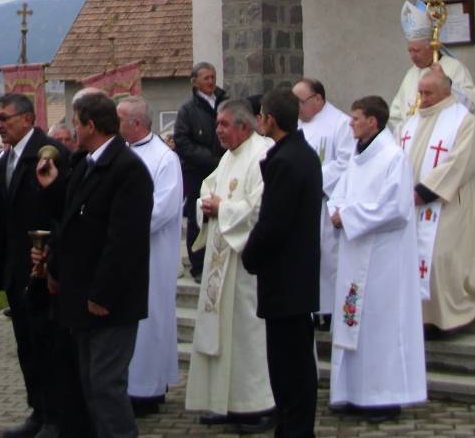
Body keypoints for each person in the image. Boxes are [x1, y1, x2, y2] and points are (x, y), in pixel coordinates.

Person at [35, 92, 153, 438]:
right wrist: (55, 270)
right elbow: (72, 222)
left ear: (90, 125)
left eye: (75, 121)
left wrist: (102, 293)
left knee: (105, 385)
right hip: (79, 294)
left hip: (109, 302)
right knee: (87, 383)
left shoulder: (128, 170)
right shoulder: (82, 163)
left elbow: (124, 242)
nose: (73, 127)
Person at [328, 95, 426, 422]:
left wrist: (350, 216)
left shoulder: (393, 158)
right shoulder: (358, 158)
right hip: (356, 252)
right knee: (354, 321)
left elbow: (396, 208)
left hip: (384, 259)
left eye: (356, 118)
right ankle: (355, 393)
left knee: (379, 327)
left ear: (373, 121)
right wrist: (336, 211)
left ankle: (384, 397)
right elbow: (339, 193)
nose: (350, 123)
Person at [184, 99, 275, 431]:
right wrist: (207, 204)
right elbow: (209, 187)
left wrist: (223, 208)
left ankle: (257, 404)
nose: (218, 130)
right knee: (220, 333)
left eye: (224, 124)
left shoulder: (261, 154)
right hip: (221, 262)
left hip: (245, 264)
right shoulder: (229, 156)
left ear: (244, 126)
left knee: (247, 336)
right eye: (217, 124)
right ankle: (224, 401)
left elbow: (260, 208)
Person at [0, 93, 72, 438]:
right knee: (26, 344)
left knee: (48, 343)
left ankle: (57, 417)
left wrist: (53, 254)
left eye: (4, 118)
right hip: (15, 266)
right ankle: (37, 409)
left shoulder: (51, 153)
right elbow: (4, 212)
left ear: (26, 118)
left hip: (43, 265)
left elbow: (63, 208)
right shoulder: (5, 159)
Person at [243, 89, 323, 438]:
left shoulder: (286, 162)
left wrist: (251, 254)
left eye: (259, 115)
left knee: (288, 366)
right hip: (297, 276)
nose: (258, 120)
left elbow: (273, 223)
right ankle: (295, 426)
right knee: (296, 361)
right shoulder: (301, 154)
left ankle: (294, 430)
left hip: (285, 278)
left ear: (270, 120)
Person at [401, 69, 475, 333]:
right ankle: (423, 320)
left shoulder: (463, 121)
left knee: (441, 258)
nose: (422, 98)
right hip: (413, 204)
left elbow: (461, 161)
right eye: (420, 93)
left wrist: (424, 191)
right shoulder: (411, 122)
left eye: (428, 93)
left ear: (446, 92)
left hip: (447, 203)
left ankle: (451, 317)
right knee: (414, 260)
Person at [116, 96, 183, 416]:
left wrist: (122, 226)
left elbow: (164, 208)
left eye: (119, 120)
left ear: (137, 123)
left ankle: (148, 389)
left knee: (151, 318)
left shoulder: (164, 159)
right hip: (127, 252)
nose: (115, 126)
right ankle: (129, 385)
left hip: (153, 253)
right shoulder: (123, 154)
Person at [290, 78, 354, 324]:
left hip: (325, 203)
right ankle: (310, 309)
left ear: (318, 99)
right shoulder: (297, 124)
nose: (297, 107)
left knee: (327, 259)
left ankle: (328, 312)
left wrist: (313, 180)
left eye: (301, 102)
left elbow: (346, 162)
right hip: (301, 204)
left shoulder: (340, 124)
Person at [388, 1, 475, 136]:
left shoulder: (454, 68)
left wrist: (448, 83)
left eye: (417, 51)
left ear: (431, 48)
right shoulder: (410, 75)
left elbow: (470, 105)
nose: (413, 56)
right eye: (410, 51)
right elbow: (396, 115)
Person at [173, 62, 227, 282]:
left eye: (213, 77)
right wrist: (211, 159)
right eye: (206, 78)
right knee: (198, 218)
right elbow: (182, 141)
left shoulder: (224, 102)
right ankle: (198, 265)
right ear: (195, 82)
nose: (211, 82)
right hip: (198, 172)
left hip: (223, 170)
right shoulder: (187, 110)